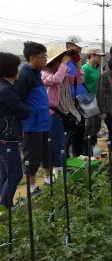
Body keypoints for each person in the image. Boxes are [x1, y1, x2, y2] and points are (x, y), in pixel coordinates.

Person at [42, 45, 82, 178]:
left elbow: (78, 80)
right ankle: (55, 172)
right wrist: (64, 64)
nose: (62, 62)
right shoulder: (45, 74)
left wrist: (77, 65)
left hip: (64, 112)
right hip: (52, 114)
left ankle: (60, 169)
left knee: (62, 143)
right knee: (55, 144)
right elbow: (56, 80)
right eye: (60, 60)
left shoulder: (62, 73)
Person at [15, 42, 50, 194]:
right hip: (32, 125)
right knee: (32, 156)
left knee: (47, 153)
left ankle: (49, 179)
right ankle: (31, 187)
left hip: (43, 123)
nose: (45, 60)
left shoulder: (37, 74)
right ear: (32, 57)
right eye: (43, 57)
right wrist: (31, 115)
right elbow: (18, 102)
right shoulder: (24, 75)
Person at [0, 52, 31, 207]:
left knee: (4, 174)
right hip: (7, 137)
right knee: (15, 173)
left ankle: (4, 206)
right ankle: (5, 206)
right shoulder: (6, 90)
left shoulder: (4, 86)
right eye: (16, 67)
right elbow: (22, 111)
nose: (18, 70)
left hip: (3, 137)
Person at [65, 36, 86, 156]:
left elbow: (79, 80)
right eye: (77, 47)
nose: (80, 49)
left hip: (79, 99)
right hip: (68, 102)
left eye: (80, 48)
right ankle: (65, 160)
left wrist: (78, 65)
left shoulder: (74, 62)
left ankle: (77, 156)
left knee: (80, 129)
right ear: (69, 46)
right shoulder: (62, 61)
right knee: (69, 132)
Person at [82, 48, 105, 153]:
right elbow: (81, 85)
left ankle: (93, 151)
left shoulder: (96, 69)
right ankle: (86, 153)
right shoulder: (85, 69)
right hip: (88, 102)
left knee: (96, 128)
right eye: (99, 56)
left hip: (96, 102)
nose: (100, 58)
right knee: (89, 129)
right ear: (92, 55)